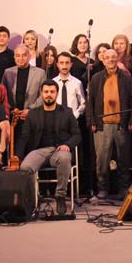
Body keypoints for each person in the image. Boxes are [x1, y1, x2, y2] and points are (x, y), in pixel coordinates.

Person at [18, 80, 82, 214]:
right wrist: (17, 156)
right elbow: (24, 137)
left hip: (59, 150)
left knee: (64, 158)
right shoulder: (33, 113)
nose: (49, 95)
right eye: (46, 92)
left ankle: (60, 196)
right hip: (39, 151)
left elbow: (77, 135)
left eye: (52, 92)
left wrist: (67, 145)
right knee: (25, 167)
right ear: (41, 93)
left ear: (57, 94)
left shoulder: (66, 112)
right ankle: (31, 199)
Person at [87, 49, 132, 199]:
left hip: (122, 124)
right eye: (107, 57)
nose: (110, 60)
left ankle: (123, 188)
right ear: (103, 60)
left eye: (113, 57)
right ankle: (102, 188)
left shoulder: (126, 78)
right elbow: (90, 102)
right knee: (102, 160)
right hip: (102, 125)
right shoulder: (96, 78)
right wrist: (92, 121)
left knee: (123, 159)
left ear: (117, 59)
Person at [54, 51, 90, 196]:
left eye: (67, 63)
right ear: (57, 64)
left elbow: (83, 103)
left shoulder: (77, 82)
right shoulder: (52, 82)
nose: (64, 66)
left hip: (73, 123)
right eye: (61, 63)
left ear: (71, 64)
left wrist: (74, 114)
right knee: (58, 154)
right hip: (56, 123)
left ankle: (74, 190)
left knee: (75, 156)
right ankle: (57, 188)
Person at [3, 45, 45, 151]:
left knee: (30, 149)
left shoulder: (40, 73)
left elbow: (42, 95)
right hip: (13, 117)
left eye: (23, 55)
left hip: (32, 116)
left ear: (29, 56)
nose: (20, 58)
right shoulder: (8, 72)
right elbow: (4, 94)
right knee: (14, 149)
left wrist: (30, 110)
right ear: (14, 57)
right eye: (17, 56)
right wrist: (12, 110)